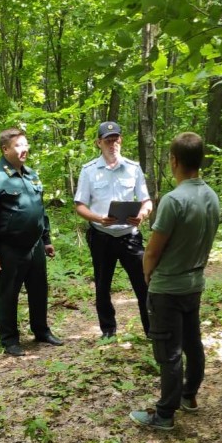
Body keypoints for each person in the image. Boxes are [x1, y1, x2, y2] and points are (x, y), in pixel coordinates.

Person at [129, 132, 220, 430]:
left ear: (174, 160)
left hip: (167, 287)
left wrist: (146, 273)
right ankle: (189, 396)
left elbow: (153, 250)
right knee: (192, 342)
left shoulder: (173, 200)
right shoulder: (211, 195)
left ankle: (164, 415)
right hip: (194, 283)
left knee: (168, 351)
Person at [0, 127, 63, 357]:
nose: (24, 149)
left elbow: (40, 210)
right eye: (18, 146)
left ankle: (41, 331)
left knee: (39, 290)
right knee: (8, 294)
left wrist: (46, 239)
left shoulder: (31, 174)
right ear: (5, 149)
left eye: (25, 144)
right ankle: (10, 340)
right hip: (9, 248)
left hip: (35, 246)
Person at [74, 121, 153, 338]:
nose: (112, 144)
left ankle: (152, 330)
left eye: (116, 139)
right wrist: (99, 218)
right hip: (102, 236)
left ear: (121, 140)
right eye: (107, 140)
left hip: (130, 236)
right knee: (102, 286)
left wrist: (142, 215)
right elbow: (79, 205)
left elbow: (147, 201)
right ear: (98, 143)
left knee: (144, 283)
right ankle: (108, 331)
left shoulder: (133, 168)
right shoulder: (89, 171)